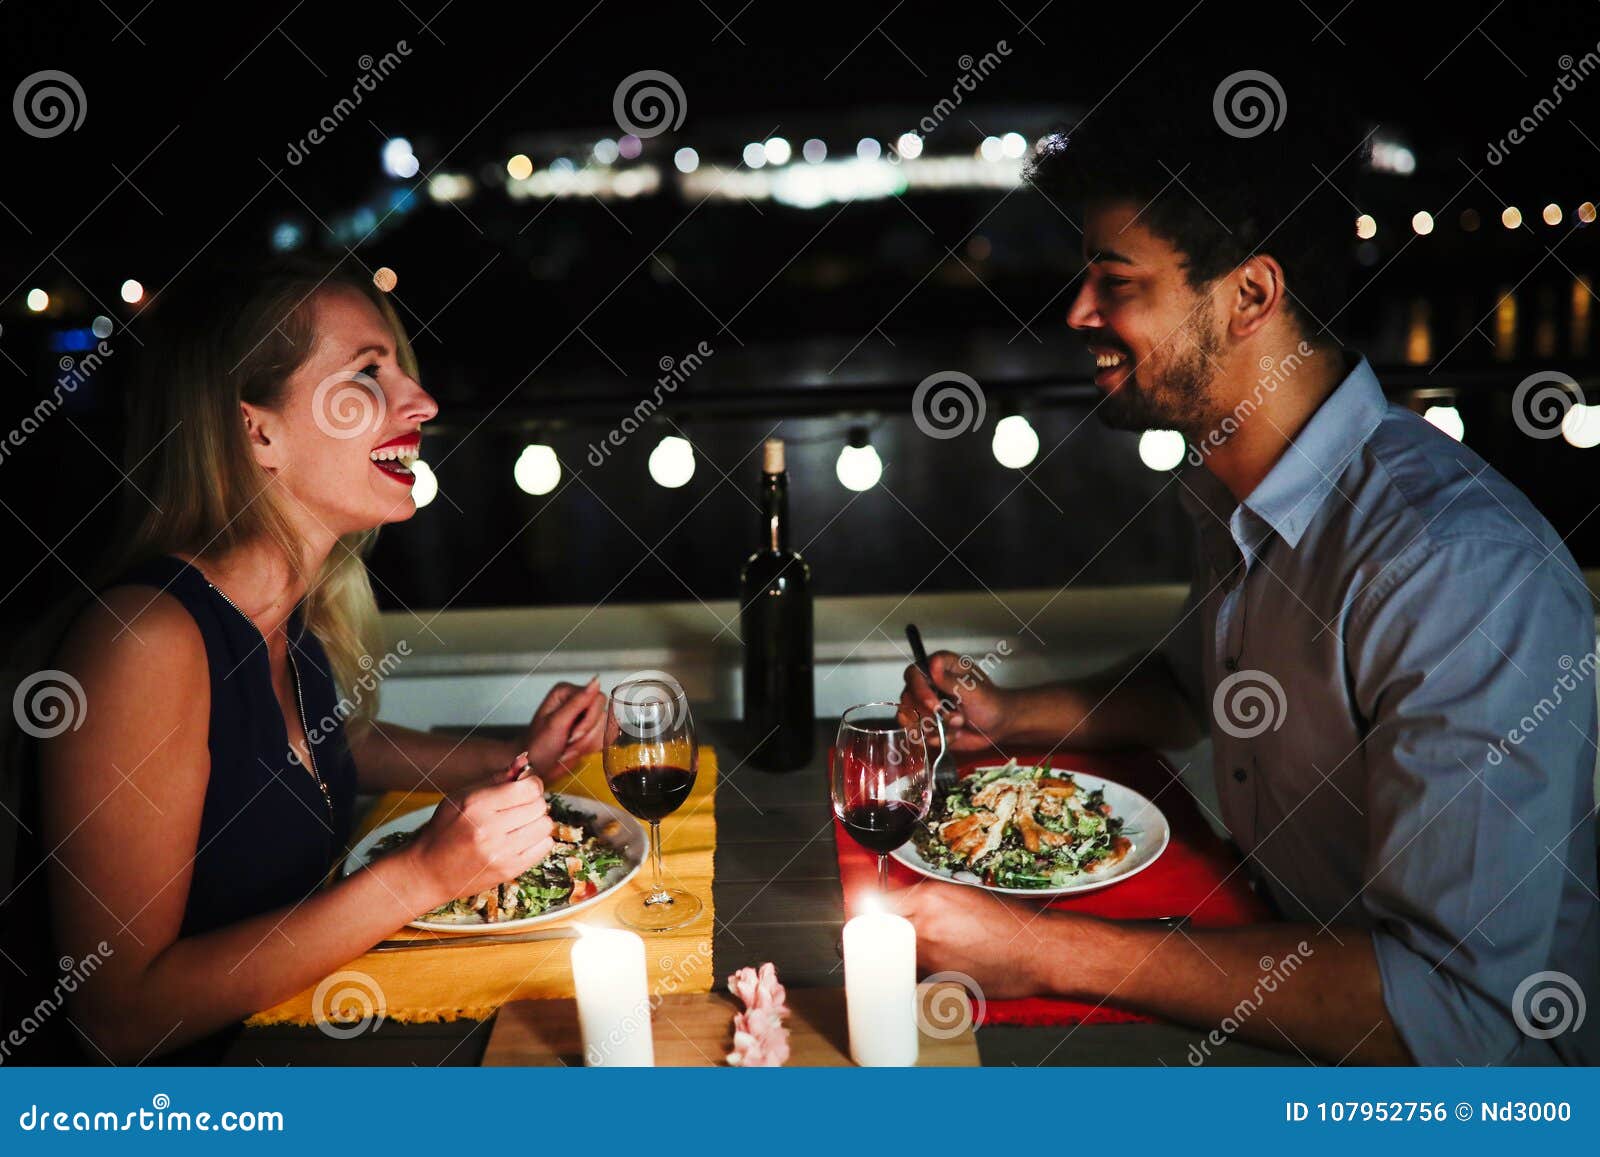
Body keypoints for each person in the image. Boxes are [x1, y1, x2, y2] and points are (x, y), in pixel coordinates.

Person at [897, 72, 1598, 1065]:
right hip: (1284, 993)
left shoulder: (1454, 571)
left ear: (1251, 296)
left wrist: (1039, 950)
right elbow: (1197, 684)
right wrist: (1012, 712)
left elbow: (1456, 1010)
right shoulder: (1240, 481)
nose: (1076, 312)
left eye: (1117, 282)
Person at [0, 262, 605, 1063]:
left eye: (402, 371)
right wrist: (422, 876)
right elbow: (117, 1017)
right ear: (258, 431)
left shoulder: (290, 619)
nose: (420, 404)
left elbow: (323, 748)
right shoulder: (144, 641)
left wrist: (515, 758)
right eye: (367, 374)